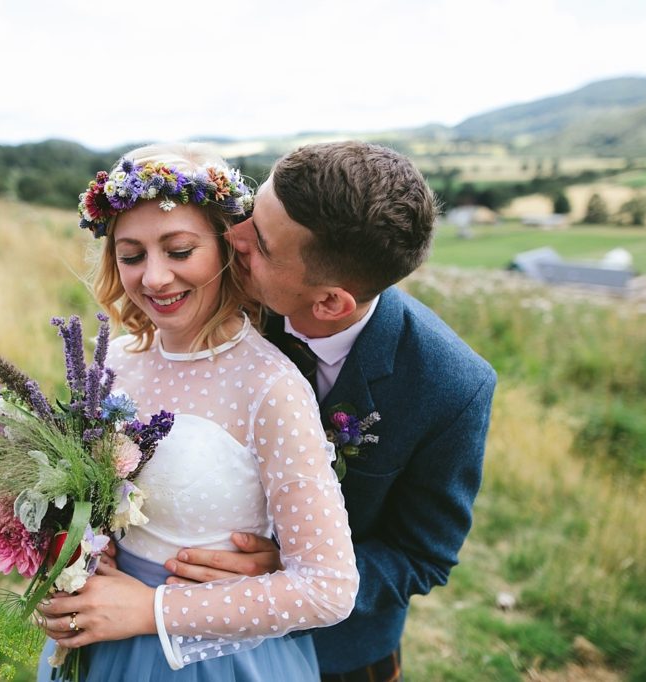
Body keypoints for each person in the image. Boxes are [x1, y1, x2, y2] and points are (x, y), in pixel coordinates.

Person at [163, 141, 497, 681]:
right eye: (253, 212)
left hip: (339, 654)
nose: (233, 236)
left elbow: (422, 555)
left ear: (330, 303)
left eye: (263, 244)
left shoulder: (451, 387)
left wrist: (296, 573)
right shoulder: (223, 299)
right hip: (191, 619)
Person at [35, 143, 359, 681]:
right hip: (100, 640)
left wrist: (150, 611)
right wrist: (81, 551)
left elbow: (327, 588)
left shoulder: (269, 386)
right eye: (132, 255)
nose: (155, 278)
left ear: (227, 247)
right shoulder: (112, 360)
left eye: (180, 250)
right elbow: (87, 493)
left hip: (213, 658)